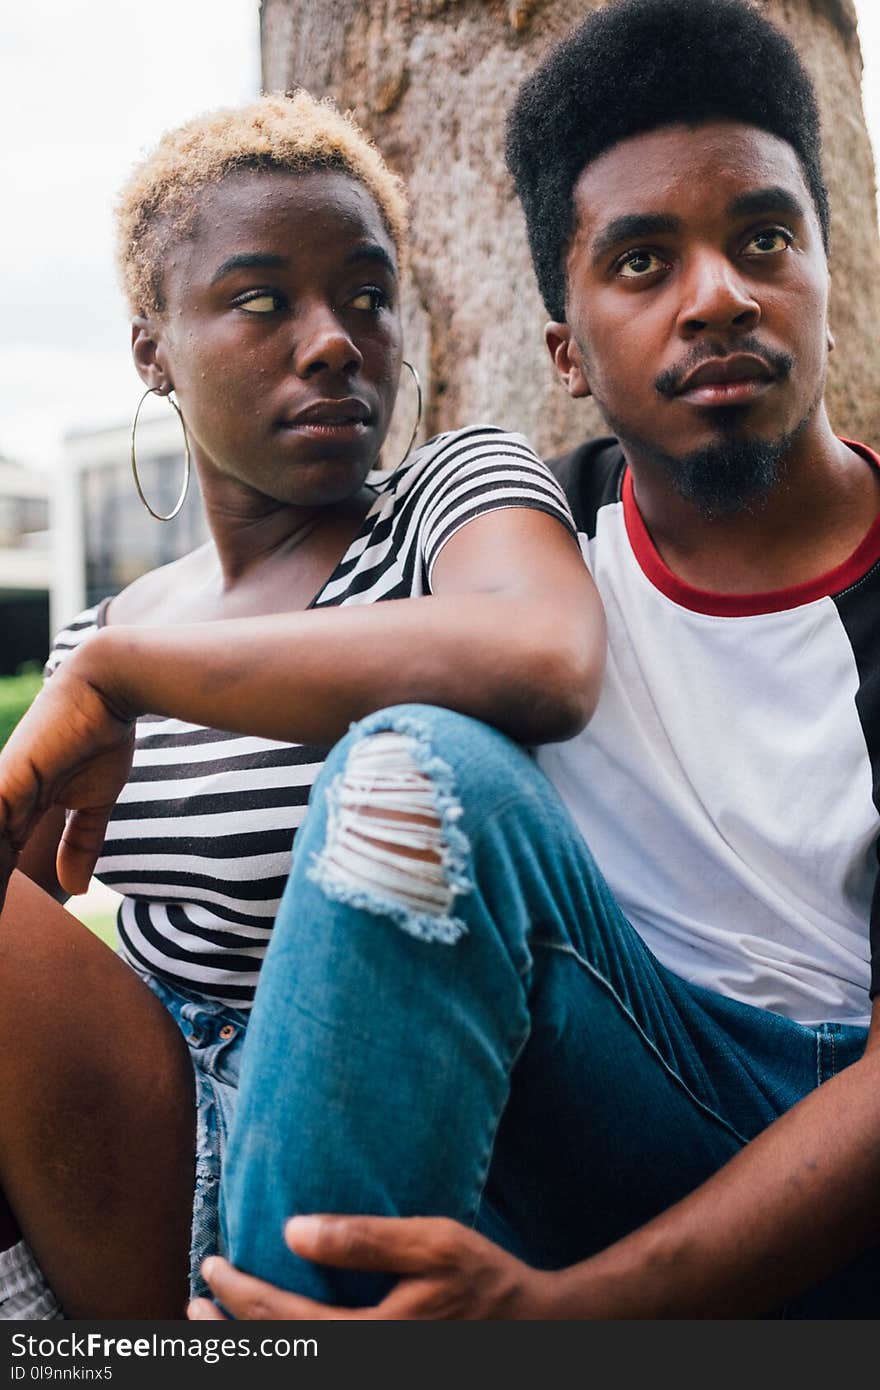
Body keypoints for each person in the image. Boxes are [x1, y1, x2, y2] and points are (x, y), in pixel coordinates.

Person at [186, 0, 880, 1320]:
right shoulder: (522, 544)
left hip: (824, 1146)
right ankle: (272, 1317)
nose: (719, 295)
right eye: (641, 263)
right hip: (587, 1096)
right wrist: (107, 678)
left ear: (826, 288)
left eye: (764, 238)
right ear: (565, 349)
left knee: (412, 770)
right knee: (410, 777)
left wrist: (570, 1313)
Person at [0, 92, 602, 1319]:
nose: (334, 340)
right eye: (263, 298)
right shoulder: (102, 631)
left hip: (394, 1140)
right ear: (152, 349)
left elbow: (545, 654)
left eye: (367, 297)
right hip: (147, 1147)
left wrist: (124, 680)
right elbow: (47, 933)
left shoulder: (448, 495)